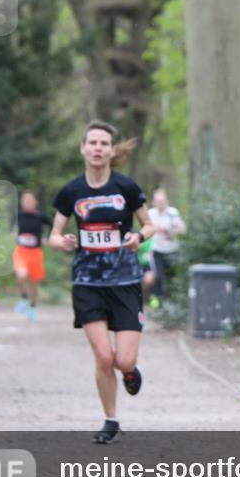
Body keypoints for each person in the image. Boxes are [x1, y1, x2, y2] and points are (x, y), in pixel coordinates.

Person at [49, 120, 152, 444]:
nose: (97, 148)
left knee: (124, 360)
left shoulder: (126, 187)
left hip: (125, 281)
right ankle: (111, 420)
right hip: (87, 281)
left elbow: (149, 226)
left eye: (103, 143)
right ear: (83, 148)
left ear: (110, 150)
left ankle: (131, 372)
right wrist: (61, 241)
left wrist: (138, 236)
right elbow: (52, 235)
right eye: (92, 142)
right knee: (104, 358)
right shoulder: (71, 191)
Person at [12, 190, 52, 322]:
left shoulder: (40, 216)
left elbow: (53, 226)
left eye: (30, 200)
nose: (27, 203)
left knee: (34, 285)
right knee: (21, 275)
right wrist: (14, 233)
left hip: (36, 253)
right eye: (24, 200)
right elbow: (11, 226)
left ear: (35, 202)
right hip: (21, 251)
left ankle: (33, 307)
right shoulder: (18, 214)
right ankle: (24, 298)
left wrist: (47, 238)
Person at [146, 188, 186, 299]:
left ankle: (172, 300)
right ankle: (159, 301)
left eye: (162, 201)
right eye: (158, 201)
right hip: (157, 250)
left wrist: (169, 230)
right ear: (154, 202)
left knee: (172, 276)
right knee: (158, 276)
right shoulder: (150, 214)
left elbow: (182, 229)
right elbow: (146, 231)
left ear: (167, 201)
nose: (160, 204)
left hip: (172, 250)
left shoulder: (173, 213)